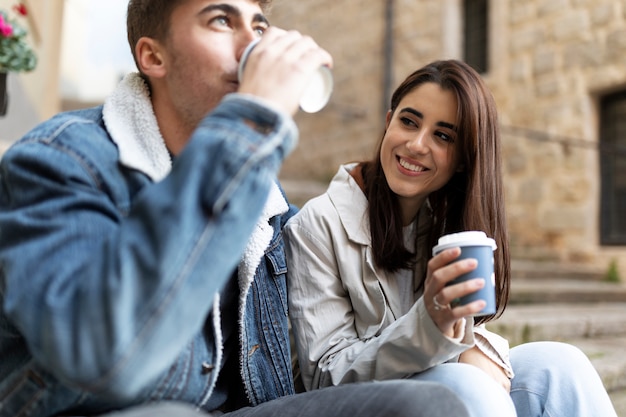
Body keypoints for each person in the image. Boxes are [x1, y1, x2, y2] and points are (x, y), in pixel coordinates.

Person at [0, 1, 476, 417]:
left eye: (261, 26)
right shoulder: (64, 160)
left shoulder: (266, 205)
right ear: (153, 56)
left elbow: (335, 345)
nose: (254, 46)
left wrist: (458, 337)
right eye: (222, 20)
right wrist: (251, 123)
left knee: (436, 404)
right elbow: (99, 357)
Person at [284, 59, 618, 417]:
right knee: (468, 386)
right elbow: (323, 375)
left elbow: (454, 339)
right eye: (408, 121)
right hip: (355, 406)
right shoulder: (317, 225)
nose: (416, 144)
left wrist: (471, 344)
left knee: (559, 364)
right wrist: (435, 329)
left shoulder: (441, 223)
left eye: (443, 136)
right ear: (388, 122)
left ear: (462, 160)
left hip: (427, 385)